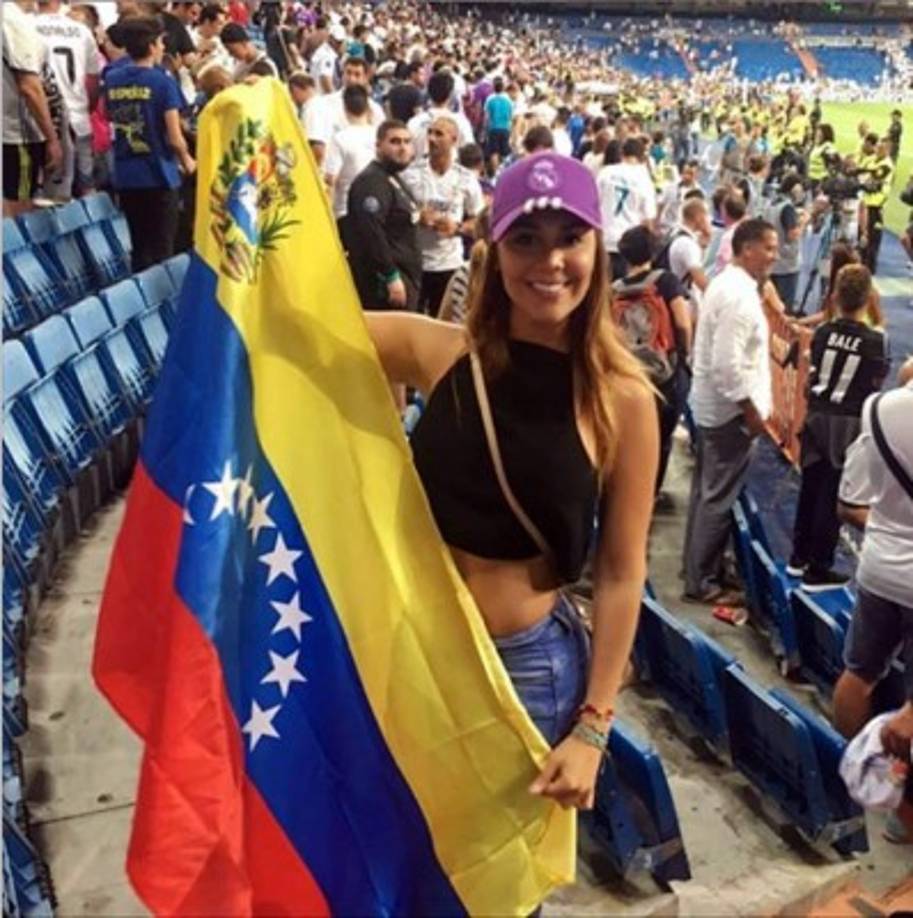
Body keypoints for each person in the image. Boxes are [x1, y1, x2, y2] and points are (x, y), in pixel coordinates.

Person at [365, 150, 657, 832]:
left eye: (568, 239)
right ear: (493, 252)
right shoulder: (439, 353)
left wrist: (593, 727)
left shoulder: (623, 400)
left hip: (524, 672)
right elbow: (293, 318)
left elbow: (619, 573)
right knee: (404, 868)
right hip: (415, 650)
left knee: (495, 887)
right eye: (525, 239)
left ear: (597, 250)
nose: (548, 262)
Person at [834, 356, 913, 844]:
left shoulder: (879, 409)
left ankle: (858, 773)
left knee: (858, 673)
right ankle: (903, 814)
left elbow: (852, 498)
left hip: (880, 567)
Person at [683, 219, 778, 605]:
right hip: (729, 417)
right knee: (717, 498)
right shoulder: (738, 296)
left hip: (713, 410)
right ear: (748, 248)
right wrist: (752, 413)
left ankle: (698, 568)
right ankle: (702, 581)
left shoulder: (726, 284)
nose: (774, 255)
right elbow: (727, 366)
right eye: (768, 248)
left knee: (706, 493)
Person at [787, 265, 889, 591]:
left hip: (817, 414)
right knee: (834, 491)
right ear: (869, 298)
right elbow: (875, 383)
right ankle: (819, 567)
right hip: (847, 421)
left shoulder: (822, 332)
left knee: (811, 485)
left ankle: (798, 557)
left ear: (834, 297)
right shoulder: (876, 340)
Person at [103, 15, 195, 270]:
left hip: (127, 174)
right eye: (161, 43)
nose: (164, 48)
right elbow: (175, 137)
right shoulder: (163, 82)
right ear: (153, 46)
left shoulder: (112, 80)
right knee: (163, 247)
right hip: (159, 174)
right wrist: (188, 161)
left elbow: (107, 112)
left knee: (139, 246)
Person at [615, 225, 692, 499]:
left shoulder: (614, 290)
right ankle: (650, 492)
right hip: (664, 370)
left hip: (626, 371)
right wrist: (684, 355)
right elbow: (682, 322)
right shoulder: (666, 281)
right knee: (660, 437)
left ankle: (624, 489)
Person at [401, 116, 483, 317]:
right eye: (430, 132)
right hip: (416, 262)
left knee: (444, 322)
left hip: (448, 264)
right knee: (415, 320)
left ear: (454, 140)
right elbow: (396, 213)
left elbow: (479, 222)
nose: (432, 138)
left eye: (439, 134)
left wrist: (457, 228)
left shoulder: (466, 178)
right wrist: (417, 216)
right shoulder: (410, 174)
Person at [346, 120, 422, 318]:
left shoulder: (393, 177)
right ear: (378, 145)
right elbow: (371, 231)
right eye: (395, 142)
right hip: (384, 285)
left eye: (407, 142)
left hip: (406, 275)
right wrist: (390, 276)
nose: (403, 148)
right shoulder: (371, 181)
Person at [2, 0, 64, 213]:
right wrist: (52, 138)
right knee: (17, 212)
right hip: (16, 134)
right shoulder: (13, 22)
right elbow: (29, 88)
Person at [35, 0, 99, 199]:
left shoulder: (27, 26)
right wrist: (86, 108)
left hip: (40, 118)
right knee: (87, 190)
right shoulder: (82, 31)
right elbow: (93, 80)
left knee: (45, 194)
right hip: (78, 118)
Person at [596, 136, 657, 279]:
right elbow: (648, 219)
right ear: (642, 158)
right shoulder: (644, 179)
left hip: (604, 239)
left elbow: (593, 204)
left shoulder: (606, 172)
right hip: (628, 245)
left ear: (622, 154)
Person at [324, 84, 377, 240]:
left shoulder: (340, 139)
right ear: (368, 107)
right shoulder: (379, 135)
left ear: (344, 108)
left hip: (346, 212)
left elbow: (330, 179)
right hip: (377, 211)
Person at [763, 174, 807, 314]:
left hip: (772, 262)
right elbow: (792, 235)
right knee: (783, 308)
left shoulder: (772, 203)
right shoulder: (787, 208)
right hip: (787, 264)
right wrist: (804, 222)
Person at [859, 136, 894, 275]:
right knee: (861, 238)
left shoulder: (887, 165)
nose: (878, 150)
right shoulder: (872, 160)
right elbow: (862, 175)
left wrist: (864, 180)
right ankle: (861, 266)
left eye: (882, 148)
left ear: (888, 149)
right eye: (878, 147)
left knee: (872, 241)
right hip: (865, 204)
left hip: (876, 208)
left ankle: (869, 271)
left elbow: (871, 180)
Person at [483, 75, 512, 174]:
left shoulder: (490, 99)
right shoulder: (508, 100)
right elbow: (510, 115)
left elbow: (486, 116)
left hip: (493, 128)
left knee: (494, 151)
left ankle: (495, 173)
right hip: (505, 128)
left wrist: (484, 129)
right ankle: (505, 172)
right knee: (505, 152)